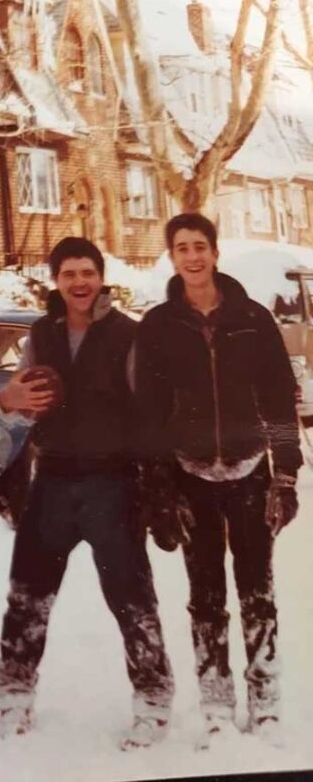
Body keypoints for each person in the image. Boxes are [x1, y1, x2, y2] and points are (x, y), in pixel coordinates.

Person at [0, 237, 175, 749]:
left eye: (87, 272)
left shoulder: (127, 334)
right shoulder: (41, 335)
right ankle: (14, 695)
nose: (79, 282)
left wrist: (154, 483)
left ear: (101, 276)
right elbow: (22, 404)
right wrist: (10, 399)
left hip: (111, 481)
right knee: (28, 593)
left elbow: (150, 411)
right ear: (56, 280)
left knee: (131, 597)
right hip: (51, 478)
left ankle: (153, 701)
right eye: (69, 273)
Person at [135, 213, 300, 750]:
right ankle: (216, 703)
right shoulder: (159, 324)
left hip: (251, 472)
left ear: (215, 251)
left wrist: (288, 474)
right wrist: (159, 487)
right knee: (205, 596)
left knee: (258, 593)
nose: (192, 256)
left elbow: (279, 399)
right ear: (172, 255)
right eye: (181, 247)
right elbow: (151, 410)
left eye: (200, 245)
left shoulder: (253, 318)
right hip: (192, 476)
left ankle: (267, 701)